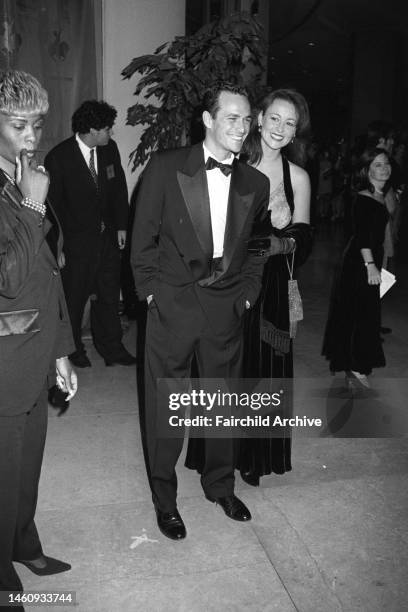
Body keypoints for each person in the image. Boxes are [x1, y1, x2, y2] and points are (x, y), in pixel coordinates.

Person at [131, 82, 270, 540]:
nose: (242, 127)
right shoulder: (168, 167)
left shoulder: (256, 181)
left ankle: (219, 486)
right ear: (208, 120)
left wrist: (247, 296)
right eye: (232, 117)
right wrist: (152, 294)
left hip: (226, 309)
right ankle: (165, 500)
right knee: (167, 408)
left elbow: (254, 250)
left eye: (247, 118)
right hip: (171, 307)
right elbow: (143, 239)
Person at [186, 88, 313, 485]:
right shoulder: (232, 160)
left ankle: (255, 457)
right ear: (259, 118)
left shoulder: (299, 178)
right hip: (229, 281)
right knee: (223, 369)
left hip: (273, 286)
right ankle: (215, 454)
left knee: (265, 370)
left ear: (296, 133)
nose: (280, 128)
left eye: (289, 123)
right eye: (274, 118)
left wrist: (284, 240)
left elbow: (305, 239)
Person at [0, 69, 77, 605]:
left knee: (27, 467)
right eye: (19, 125)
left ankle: (23, 544)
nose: (32, 136)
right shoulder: (25, 188)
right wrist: (31, 206)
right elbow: (5, 278)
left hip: (35, 350)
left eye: (37, 125)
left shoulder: (25, 176)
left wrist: (62, 351)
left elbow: (47, 271)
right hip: (3, 361)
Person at [45, 100, 136, 369]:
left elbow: (119, 189)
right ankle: (73, 350)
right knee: (74, 299)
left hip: (107, 240)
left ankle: (112, 348)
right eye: (108, 129)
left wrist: (121, 226)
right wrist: (57, 248)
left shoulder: (109, 151)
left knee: (108, 296)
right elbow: (51, 209)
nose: (111, 134)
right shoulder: (59, 157)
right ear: (93, 129)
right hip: (75, 245)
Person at [322, 147, 390, 390]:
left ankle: (358, 365)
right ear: (367, 170)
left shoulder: (381, 195)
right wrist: (371, 266)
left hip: (369, 258)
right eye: (378, 165)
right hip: (360, 262)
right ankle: (355, 367)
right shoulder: (363, 198)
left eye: (386, 163)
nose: (385, 168)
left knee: (366, 313)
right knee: (360, 313)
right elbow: (362, 237)